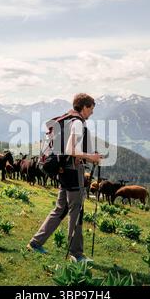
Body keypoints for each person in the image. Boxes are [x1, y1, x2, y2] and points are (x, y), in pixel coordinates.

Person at [27, 93, 102, 262]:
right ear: (84, 107)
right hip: (73, 172)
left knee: (60, 209)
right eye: (91, 109)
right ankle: (76, 254)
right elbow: (70, 150)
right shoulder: (76, 122)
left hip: (63, 170)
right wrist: (92, 158)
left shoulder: (67, 119)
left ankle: (35, 243)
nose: (92, 113)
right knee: (77, 211)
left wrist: (87, 156)